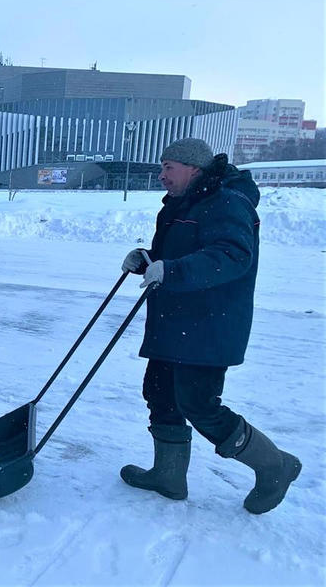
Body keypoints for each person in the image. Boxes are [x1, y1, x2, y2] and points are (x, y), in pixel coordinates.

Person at [120, 138, 300, 514]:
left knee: (199, 405)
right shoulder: (182, 204)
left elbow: (231, 256)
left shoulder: (228, 202)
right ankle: (168, 476)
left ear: (194, 169)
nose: (161, 175)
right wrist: (148, 260)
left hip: (207, 326)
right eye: (162, 166)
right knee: (159, 393)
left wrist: (173, 270)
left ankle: (275, 464)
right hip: (174, 321)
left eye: (169, 166)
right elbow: (183, 254)